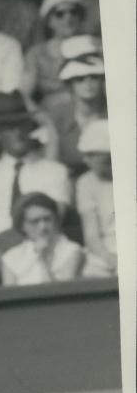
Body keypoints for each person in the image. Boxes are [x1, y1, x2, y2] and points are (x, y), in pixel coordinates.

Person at [0, 91, 71, 278]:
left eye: (20, 125)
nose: (16, 132)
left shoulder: (54, 171)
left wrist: (32, 263)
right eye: (8, 127)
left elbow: (56, 219)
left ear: (29, 127)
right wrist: (11, 267)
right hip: (2, 253)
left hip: (46, 245)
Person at [1, 193, 102, 286]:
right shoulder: (10, 258)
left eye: (47, 219)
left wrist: (43, 259)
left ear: (56, 220)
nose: (43, 226)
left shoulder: (72, 251)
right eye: (35, 222)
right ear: (22, 225)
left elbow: (58, 295)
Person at [42, 35, 107, 176]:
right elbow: (51, 164)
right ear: (70, 84)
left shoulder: (113, 113)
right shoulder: (57, 116)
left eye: (94, 77)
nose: (88, 83)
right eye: (80, 79)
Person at [21, 0, 88, 103]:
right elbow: (24, 95)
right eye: (59, 14)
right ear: (49, 21)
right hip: (52, 116)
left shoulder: (94, 46)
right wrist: (41, 118)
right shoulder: (36, 54)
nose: (68, 18)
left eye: (73, 12)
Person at [75, 118, 117, 275]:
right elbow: (91, 235)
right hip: (104, 253)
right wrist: (110, 259)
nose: (86, 160)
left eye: (91, 155)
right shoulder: (85, 182)